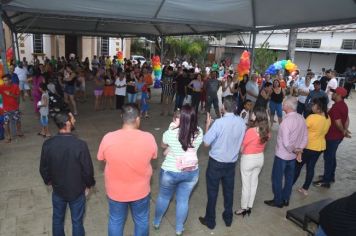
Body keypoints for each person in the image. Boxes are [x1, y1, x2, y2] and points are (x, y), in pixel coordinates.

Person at [97, 104, 158, 236]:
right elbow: (154, 156)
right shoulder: (149, 137)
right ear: (138, 119)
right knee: (141, 220)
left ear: (121, 117)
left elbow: (101, 158)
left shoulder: (108, 138)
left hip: (115, 191)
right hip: (140, 191)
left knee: (116, 221)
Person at [39, 111, 96, 236]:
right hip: (77, 190)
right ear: (67, 123)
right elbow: (87, 170)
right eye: (73, 119)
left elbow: (43, 168)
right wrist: (88, 185)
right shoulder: (80, 145)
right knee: (77, 222)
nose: (74, 120)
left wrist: (49, 181)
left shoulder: (48, 144)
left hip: (58, 190)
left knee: (57, 220)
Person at [153, 105, 203, 235]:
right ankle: (179, 228)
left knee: (164, 197)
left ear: (178, 119)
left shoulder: (170, 133)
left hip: (170, 172)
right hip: (191, 172)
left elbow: (163, 145)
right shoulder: (199, 132)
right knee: (183, 200)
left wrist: (170, 143)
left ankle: (157, 221)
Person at [199, 96, 246, 229]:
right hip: (231, 163)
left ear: (223, 108)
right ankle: (228, 219)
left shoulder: (219, 123)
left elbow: (206, 143)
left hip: (216, 163)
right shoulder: (241, 122)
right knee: (229, 192)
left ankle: (210, 221)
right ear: (236, 108)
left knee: (212, 192)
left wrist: (207, 125)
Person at [264, 96, 308, 208]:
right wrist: (299, 150)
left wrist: (295, 150)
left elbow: (286, 143)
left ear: (287, 107)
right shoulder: (301, 118)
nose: (282, 105)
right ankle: (286, 198)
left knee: (277, 179)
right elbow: (305, 137)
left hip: (282, 156)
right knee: (289, 179)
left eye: (283, 104)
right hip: (293, 157)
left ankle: (278, 201)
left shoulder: (286, 122)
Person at [235, 107, 270, 217]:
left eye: (253, 114)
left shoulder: (251, 131)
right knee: (254, 183)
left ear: (257, 117)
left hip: (248, 159)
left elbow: (242, 147)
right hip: (260, 158)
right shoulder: (266, 131)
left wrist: (240, 151)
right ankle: (250, 206)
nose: (251, 115)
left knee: (246, 185)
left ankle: (243, 208)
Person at [313, 87, 350, 188]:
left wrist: (343, 130)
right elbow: (347, 119)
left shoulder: (338, 107)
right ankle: (330, 176)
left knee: (328, 158)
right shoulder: (343, 105)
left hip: (333, 137)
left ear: (338, 95)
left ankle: (326, 181)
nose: (332, 94)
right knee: (332, 157)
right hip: (337, 136)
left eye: (334, 93)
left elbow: (338, 122)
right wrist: (344, 131)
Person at [293, 97, 330, 196]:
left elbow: (301, 130)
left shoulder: (312, 117)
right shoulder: (327, 117)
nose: (311, 106)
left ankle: (289, 185)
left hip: (308, 146)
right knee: (311, 167)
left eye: (313, 104)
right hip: (320, 147)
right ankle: (305, 188)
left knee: (298, 166)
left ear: (318, 107)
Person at [0, 74, 23, 143]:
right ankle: (8, 136)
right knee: (6, 123)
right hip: (6, 109)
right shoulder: (1, 87)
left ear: (10, 80)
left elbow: (18, 97)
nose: (5, 82)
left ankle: (19, 132)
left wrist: (10, 94)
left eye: (6, 80)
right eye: (3, 80)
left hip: (15, 107)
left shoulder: (15, 86)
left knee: (18, 121)